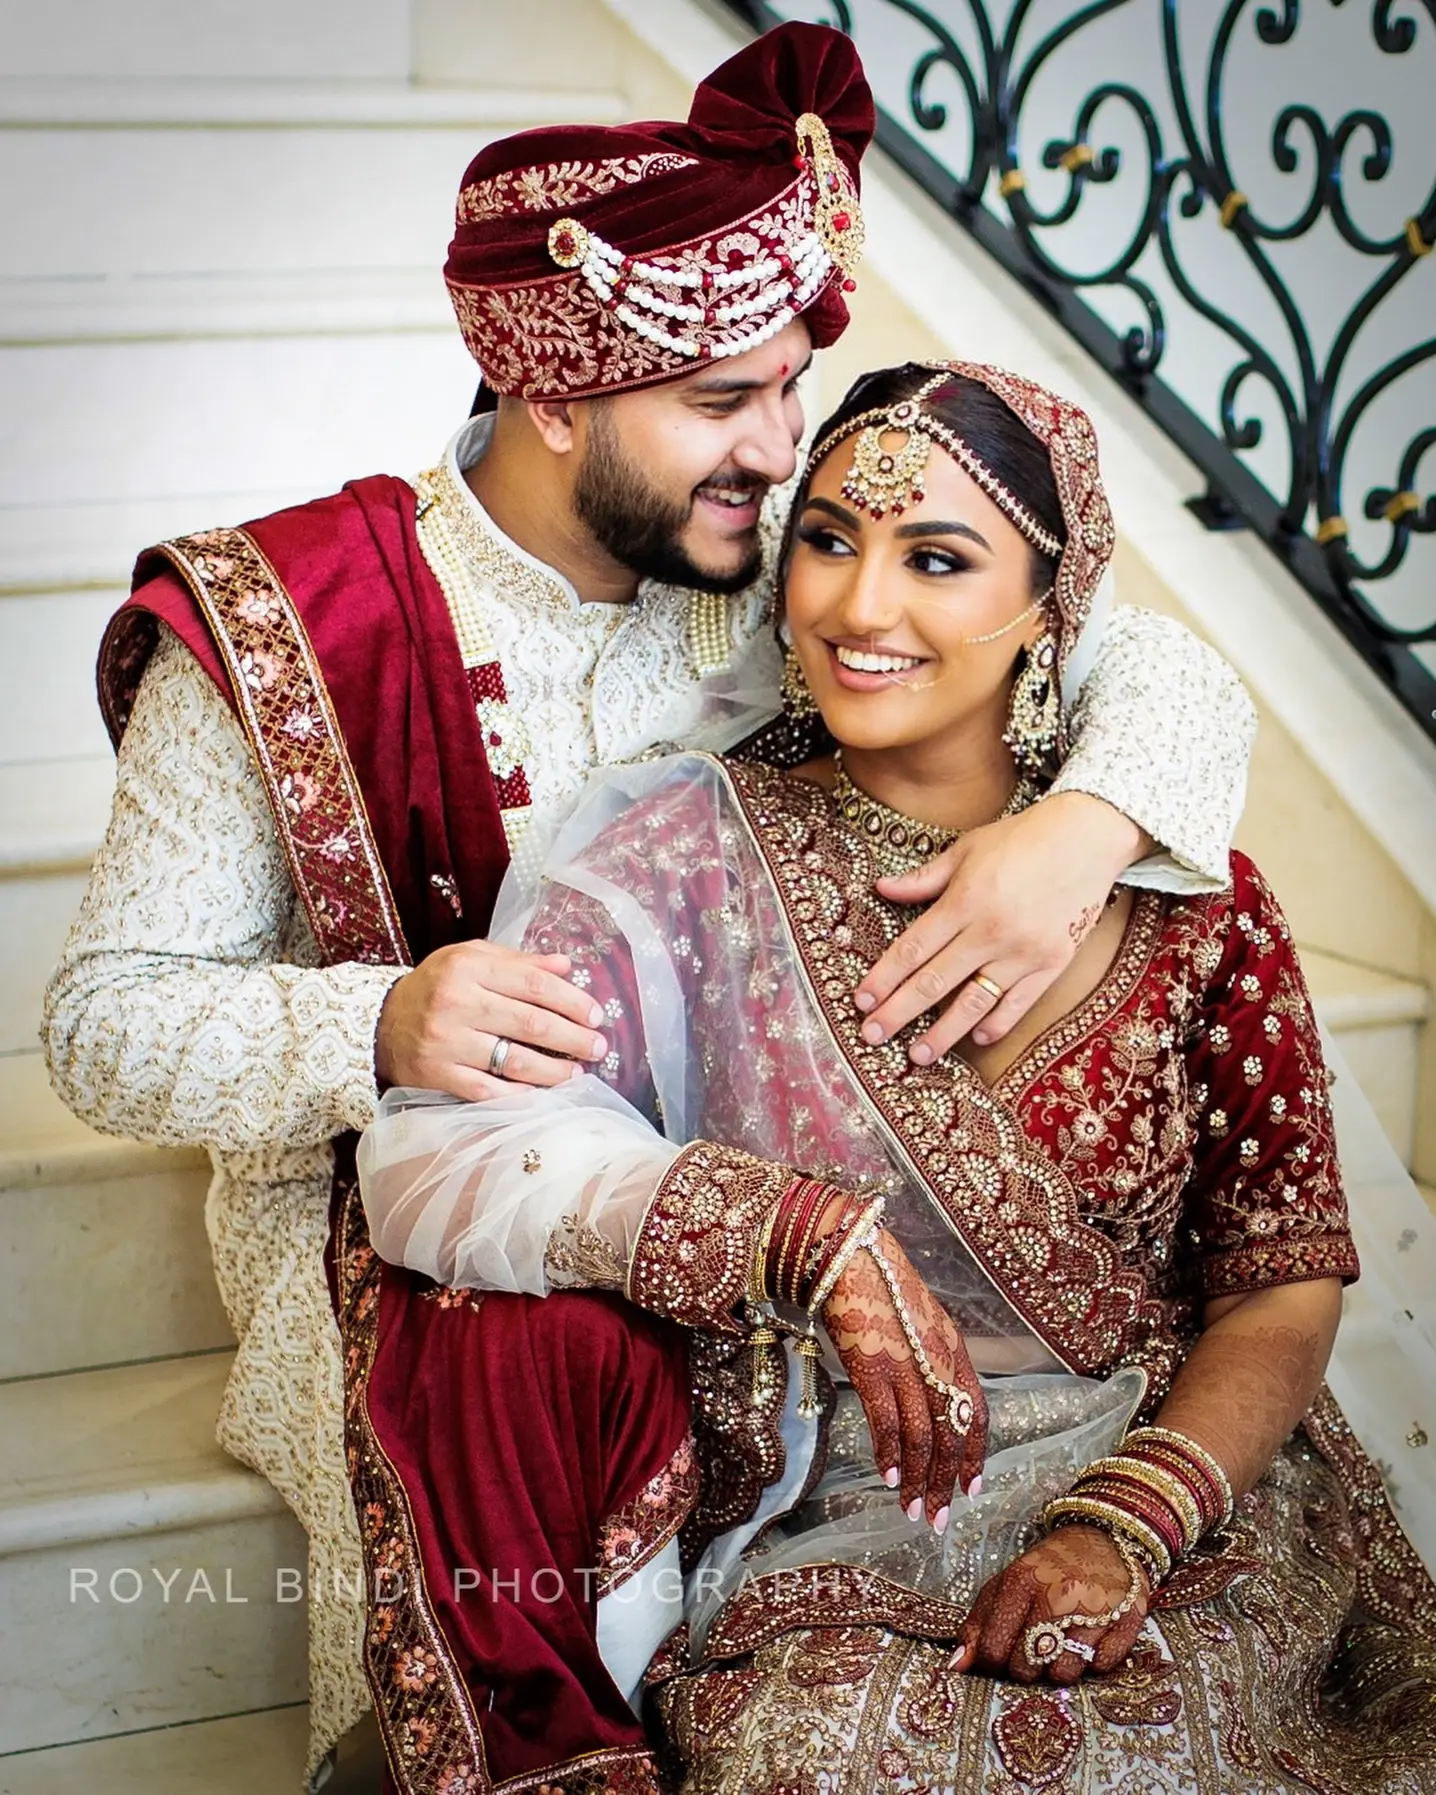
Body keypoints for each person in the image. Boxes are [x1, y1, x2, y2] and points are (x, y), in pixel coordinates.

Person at [43, 24, 1256, 1789]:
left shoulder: (773, 566)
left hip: (801, 1171)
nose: (780, 449)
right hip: (430, 1238)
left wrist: (1085, 821)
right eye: (722, 403)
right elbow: (102, 1025)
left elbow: (1136, 652)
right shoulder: (291, 620)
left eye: (788, 386)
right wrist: (376, 1015)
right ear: (555, 398)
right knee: (547, 1367)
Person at [359, 361, 1436, 1791]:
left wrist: (1127, 1522)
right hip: (828, 1505)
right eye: (826, 541)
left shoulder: (1199, 905)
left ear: (1054, 608)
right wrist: (779, 1227)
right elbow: (445, 1155)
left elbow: (1282, 1282)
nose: (859, 607)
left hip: (1178, 1490)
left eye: (936, 558)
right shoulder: (684, 856)